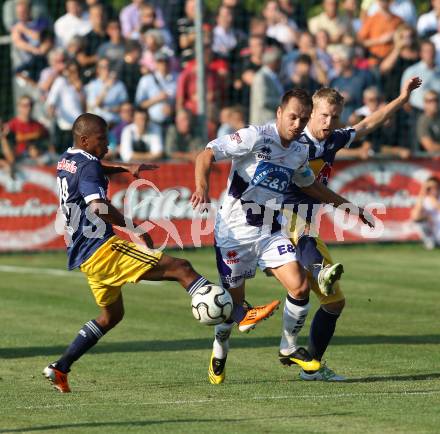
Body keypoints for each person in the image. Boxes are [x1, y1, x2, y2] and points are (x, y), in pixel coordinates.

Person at [43, 113, 279, 393]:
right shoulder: (88, 166)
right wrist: (133, 227)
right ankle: (240, 314)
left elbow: (90, 167)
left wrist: (121, 167)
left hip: (84, 256)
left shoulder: (67, 158)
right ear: (85, 139)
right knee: (181, 267)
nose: (107, 143)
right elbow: (98, 207)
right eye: (102, 139)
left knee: (111, 316)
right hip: (104, 250)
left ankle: (61, 367)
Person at [191, 88, 375, 384]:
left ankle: (288, 348)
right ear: (279, 113)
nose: (297, 125)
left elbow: (310, 186)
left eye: (302, 120)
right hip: (233, 234)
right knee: (235, 311)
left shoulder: (299, 151)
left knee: (300, 287)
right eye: (292, 117)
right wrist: (201, 187)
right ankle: (220, 347)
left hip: (269, 230)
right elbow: (206, 154)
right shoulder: (255, 137)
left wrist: (349, 207)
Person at [273, 77, 421, 382]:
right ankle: (317, 270)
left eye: (334, 117)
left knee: (334, 303)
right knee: (302, 227)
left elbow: (369, 124)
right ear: (311, 112)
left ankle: (312, 365)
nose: (329, 122)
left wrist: (403, 98)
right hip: (280, 217)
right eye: (324, 115)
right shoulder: (295, 144)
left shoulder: (334, 140)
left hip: (307, 223)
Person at [411, 176, 440, 249]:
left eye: (435, 187)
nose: (433, 190)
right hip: (432, 229)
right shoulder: (424, 200)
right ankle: (430, 241)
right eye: (429, 188)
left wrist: (434, 200)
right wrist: (423, 192)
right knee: (419, 221)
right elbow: (415, 216)